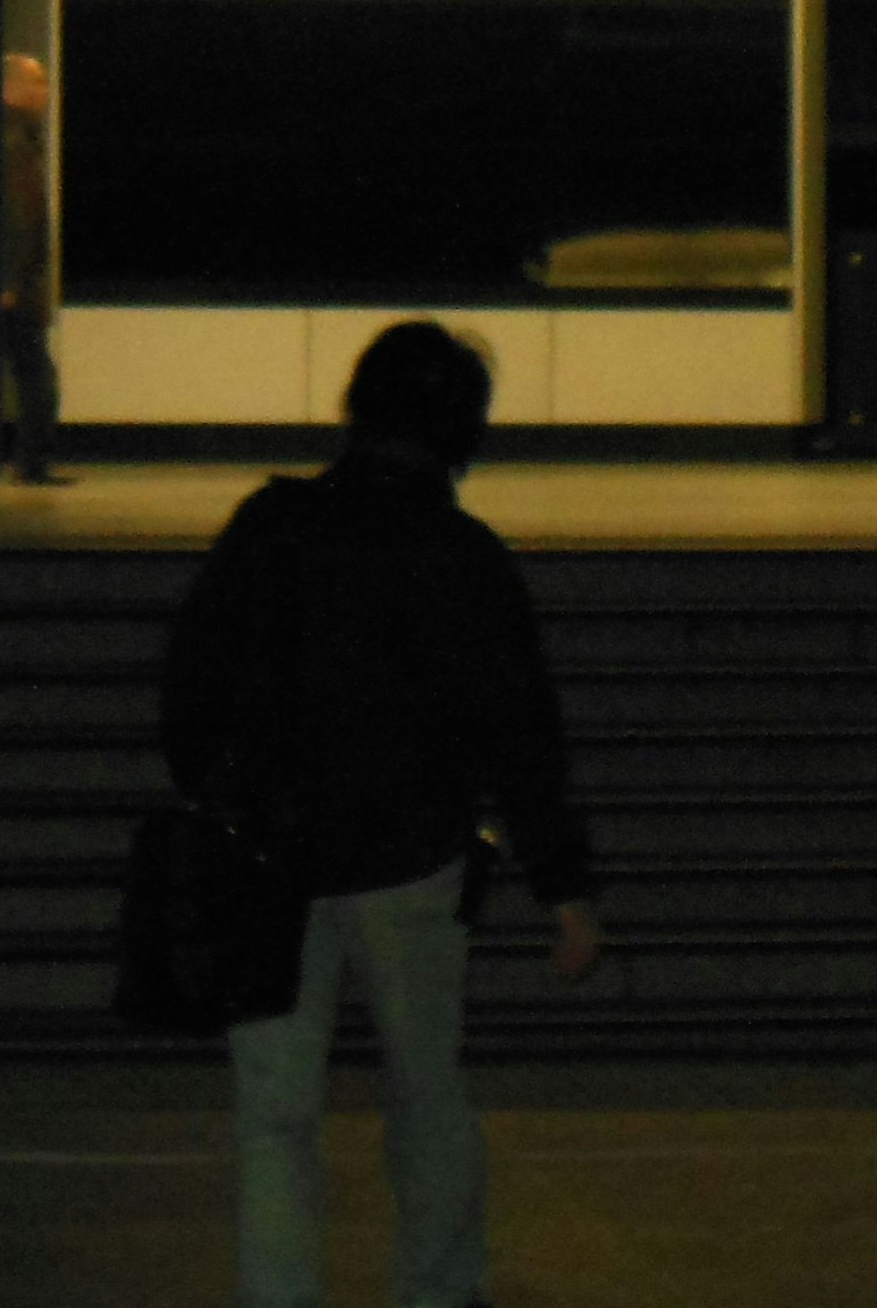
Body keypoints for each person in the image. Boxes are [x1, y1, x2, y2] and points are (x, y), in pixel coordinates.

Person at [158, 321, 603, 1308]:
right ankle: (439, 1287)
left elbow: (190, 678)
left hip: (271, 860)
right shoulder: (465, 554)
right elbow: (521, 730)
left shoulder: (271, 524)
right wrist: (563, 883)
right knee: (427, 1094)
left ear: (355, 410)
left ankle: (281, 1292)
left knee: (275, 1113)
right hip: (413, 858)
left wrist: (220, 791)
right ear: (462, 430)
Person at [0, 50, 67, 487]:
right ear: (12, 89)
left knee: (29, 370)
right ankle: (31, 462)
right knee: (37, 374)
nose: (43, 92)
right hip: (16, 284)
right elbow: (17, 217)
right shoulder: (16, 142)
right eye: (35, 82)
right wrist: (11, 279)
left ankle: (25, 460)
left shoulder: (14, 138)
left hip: (15, 280)